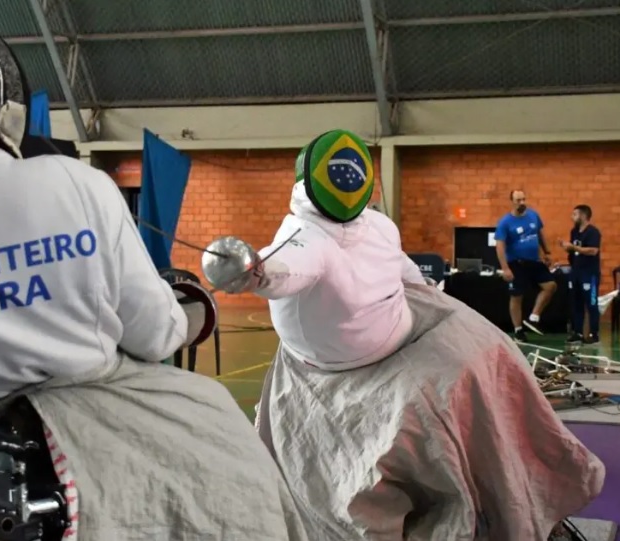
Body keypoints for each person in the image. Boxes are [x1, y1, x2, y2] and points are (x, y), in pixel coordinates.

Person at [0, 10, 308, 541]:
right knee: (231, 453)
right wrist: (187, 310)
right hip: (95, 442)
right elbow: (154, 333)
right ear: (7, 108)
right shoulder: (76, 183)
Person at [203, 130, 604, 540]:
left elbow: (402, 266)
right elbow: (287, 266)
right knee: (426, 421)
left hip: (411, 321)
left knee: (495, 352)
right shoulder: (305, 237)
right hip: (341, 368)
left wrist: (430, 292)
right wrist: (255, 270)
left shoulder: (376, 225)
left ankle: (528, 487)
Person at [494, 189, 557, 341]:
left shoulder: (533, 215)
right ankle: (518, 330)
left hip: (534, 261)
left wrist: (546, 252)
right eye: (518, 200)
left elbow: (540, 233)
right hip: (516, 263)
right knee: (516, 296)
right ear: (512, 201)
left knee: (550, 285)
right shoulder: (505, 222)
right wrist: (505, 268)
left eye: (523, 199)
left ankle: (533, 318)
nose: (522, 203)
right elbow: (500, 246)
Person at [561, 204, 602, 344]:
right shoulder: (574, 231)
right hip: (576, 272)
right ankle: (577, 332)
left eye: (575, 214)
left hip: (589, 273)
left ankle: (593, 334)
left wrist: (574, 247)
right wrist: (567, 249)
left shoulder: (593, 232)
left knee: (591, 304)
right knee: (576, 303)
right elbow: (575, 251)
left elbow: (593, 251)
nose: (572, 217)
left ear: (583, 216)